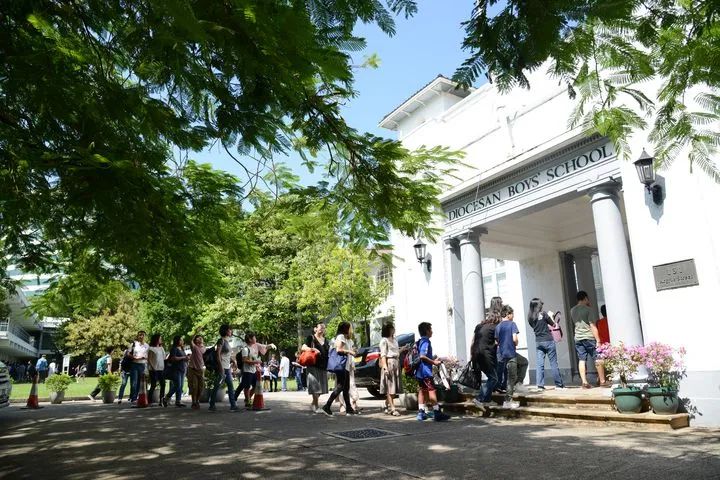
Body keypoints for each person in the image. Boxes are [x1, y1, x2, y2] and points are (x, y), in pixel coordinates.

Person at [571, 291, 611, 388]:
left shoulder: (572, 310)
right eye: (587, 299)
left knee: (581, 359)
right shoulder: (588, 309)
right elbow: (592, 325)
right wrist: (598, 340)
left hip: (578, 337)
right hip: (589, 337)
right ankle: (602, 381)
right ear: (585, 298)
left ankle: (584, 382)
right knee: (598, 358)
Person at [415, 322, 450, 421]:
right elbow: (422, 355)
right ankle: (437, 412)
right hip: (425, 371)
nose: (432, 332)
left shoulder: (420, 341)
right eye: (430, 329)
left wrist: (433, 358)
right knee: (431, 390)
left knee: (422, 390)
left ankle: (421, 412)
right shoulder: (426, 342)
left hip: (419, 371)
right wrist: (434, 362)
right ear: (427, 331)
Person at [528, 298, 565, 390]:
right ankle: (559, 385)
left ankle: (540, 385)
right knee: (553, 363)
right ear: (538, 306)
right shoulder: (544, 314)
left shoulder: (530, 317)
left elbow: (534, 327)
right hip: (548, 340)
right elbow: (553, 324)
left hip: (538, 342)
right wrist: (551, 316)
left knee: (540, 364)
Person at [321, 322, 356, 416]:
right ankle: (327, 406)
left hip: (346, 366)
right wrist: (350, 352)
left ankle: (349, 408)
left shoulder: (346, 338)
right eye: (349, 328)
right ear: (345, 328)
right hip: (341, 365)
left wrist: (352, 351)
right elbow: (338, 350)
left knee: (346, 388)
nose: (350, 329)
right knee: (340, 386)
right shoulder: (340, 336)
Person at [234, 332, 275, 407]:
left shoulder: (253, 348)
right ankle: (246, 401)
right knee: (246, 386)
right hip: (247, 371)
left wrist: (256, 362)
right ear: (250, 339)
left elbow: (265, 347)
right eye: (254, 337)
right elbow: (244, 360)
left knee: (256, 386)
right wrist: (255, 361)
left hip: (254, 370)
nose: (255, 339)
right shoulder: (245, 349)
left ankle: (247, 399)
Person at [495, 305, 524, 408]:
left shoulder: (498, 326)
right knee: (512, 377)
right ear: (508, 314)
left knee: (507, 376)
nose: (513, 316)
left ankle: (515, 388)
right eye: (512, 314)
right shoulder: (512, 324)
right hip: (511, 353)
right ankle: (508, 400)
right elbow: (515, 339)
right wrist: (516, 343)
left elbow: (496, 341)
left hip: (502, 354)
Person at [471, 310, 501, 408]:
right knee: (493, 378)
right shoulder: (495, 327)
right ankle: (479, 398)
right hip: (486, 355)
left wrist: (472, 355)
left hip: (476, 353)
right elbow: (497, 342)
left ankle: (487, 400)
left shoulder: (479, 326)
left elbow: (473, 341)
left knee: (491, 377)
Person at [209, 324, 240, 412]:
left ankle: (233, 405)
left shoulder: (227, 341)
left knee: (230, 386)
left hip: (227, 368)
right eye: (230, 330)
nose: (231, 331)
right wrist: (220, 367)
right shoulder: (221, 341)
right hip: (221, 367)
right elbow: (218, 354)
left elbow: (226, 355)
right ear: (226, 331)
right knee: (217, 385)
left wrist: (233, 361)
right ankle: (211, 405)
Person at [301, 322, 329, 413]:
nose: (322, 329)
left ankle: (313, 403)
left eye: (323, 328)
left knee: (321, 388)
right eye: (320, 327)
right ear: (315, 329)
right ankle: (316, 406)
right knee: (315, 387)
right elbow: (303, 347)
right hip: (313, 365)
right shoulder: (311, 338)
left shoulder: (326, 340)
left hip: (323, 366)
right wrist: (313, 349)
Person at [379, 323, 402, 416]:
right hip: (389, 363)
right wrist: (385, 368)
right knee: (390, 387)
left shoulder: (395, 340)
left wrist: (403, 349)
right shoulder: (384, 341)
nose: (394, 329)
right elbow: (383, 355)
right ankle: (393, 408)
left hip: (396, 362)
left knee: (394, 387)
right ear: (388, 329)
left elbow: (395, 352)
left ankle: (385, 404)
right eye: (392, 328)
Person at [126, 331, 149, 404]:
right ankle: (133, 398)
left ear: (145, 336)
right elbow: (128, 354)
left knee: (140, 383)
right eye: (140, 335)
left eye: (143, 335)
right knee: (134, 382)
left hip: (142, 365)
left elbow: (148, 356)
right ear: (137, 336)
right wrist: (134, 357)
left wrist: (145, 358)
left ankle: (138, 397)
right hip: (134, 364)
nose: (141, 336)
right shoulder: (133, 344)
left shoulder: (147, 346)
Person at [167, 336, 188, 407]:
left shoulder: (182, 349)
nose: (182, 341)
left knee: (181, 386)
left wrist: (187, 358)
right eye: (181, 340)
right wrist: (183, 357)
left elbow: (183, 358)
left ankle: (178, 401)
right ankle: (167, 397)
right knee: (177, 385)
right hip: (176, 369)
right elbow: (173, 358)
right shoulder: (174, 349)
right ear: (177, 341)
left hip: (182, 369)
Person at [147, 334, 166, 406]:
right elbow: (149, 359)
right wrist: (153, 367)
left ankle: (161, 400)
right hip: (153, 369)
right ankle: (149, 401)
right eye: (160, 338)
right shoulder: (151, 348)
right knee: (153, 385)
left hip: (161, 368)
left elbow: (164, 358)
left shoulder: (161, 348)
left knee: (163, 384)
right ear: (156, 339)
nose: (161, 340)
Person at [187, 335, 205, 409]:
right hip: (192, 369)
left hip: (200, 369)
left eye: (201, 338)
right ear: (195, 341)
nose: (199, 339)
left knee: (201, 387)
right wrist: (196, 332)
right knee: (194, 386)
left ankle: (197, 401)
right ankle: (194, 402)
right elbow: (190, 340)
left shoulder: (204, 348)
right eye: (198, 338)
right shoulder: (194, 347)